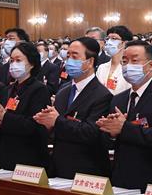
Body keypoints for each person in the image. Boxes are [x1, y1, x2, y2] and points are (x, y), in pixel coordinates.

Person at [98, 41, 152, 191]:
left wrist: (124, 128)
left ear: (151, 65)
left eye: (135, 60)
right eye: (125, 61)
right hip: (121, 176)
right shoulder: (118, 98)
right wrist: (110, 132)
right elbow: (111, 139)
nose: (128, 66)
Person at [35, 37, 112, 178]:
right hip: (59, 166)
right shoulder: (64, 90)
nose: (69, 60)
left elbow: (91, 133)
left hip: (86, 169)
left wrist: (56, 121)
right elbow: (57, 128)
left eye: (75, 56)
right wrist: (46, 124)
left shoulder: (102, 95)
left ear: (90, 62)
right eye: (68, 55)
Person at [0, 42, 51, 171]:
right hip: (7, 153)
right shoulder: (9, 89)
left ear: (31, 63)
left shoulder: (39, 89)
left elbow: (35, 125)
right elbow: (6, 120)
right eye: (12, 60)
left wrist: (4, 117)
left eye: (18, 60)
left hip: (29, 157)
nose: (13, 64)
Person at [95, 25, 133, 96]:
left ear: (124, 43)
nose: (109, 42)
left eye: (114, 38)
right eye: (108, 38)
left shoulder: (130, 68)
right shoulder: (101, 67)